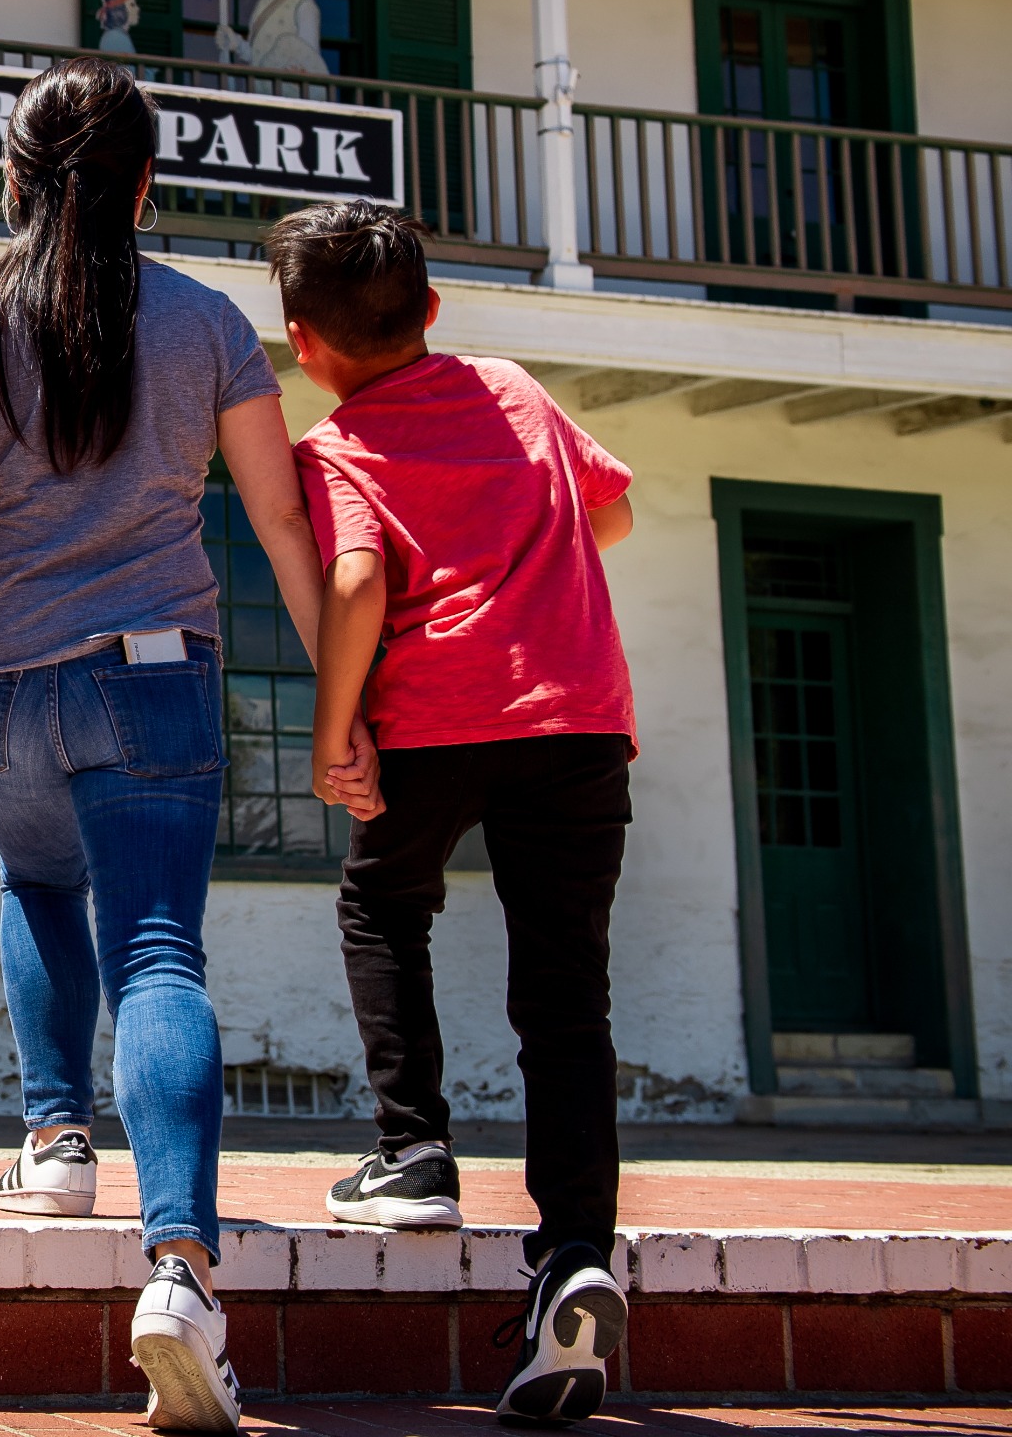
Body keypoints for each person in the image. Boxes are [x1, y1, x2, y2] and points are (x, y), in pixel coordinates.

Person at [0, 57, 356, 1433]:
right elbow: (277, 522)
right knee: (157, 951)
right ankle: (181, 1272)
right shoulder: (207, 325)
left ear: (17, 177)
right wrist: (339, 698)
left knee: (35, 884)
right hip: (151, 679)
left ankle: (58, 1143)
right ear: (146, 183)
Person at [265, 199, 639, 1429]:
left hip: (436, 722)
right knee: (565, 994)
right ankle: (577, 1252)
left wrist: (334, 737)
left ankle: (415, 1151)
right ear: (430, 308)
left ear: (301, 341)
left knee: (384, 903)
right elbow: (613, 509)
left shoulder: (337, 446)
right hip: (578, 722)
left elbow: (360, 580)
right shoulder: (511, 385)